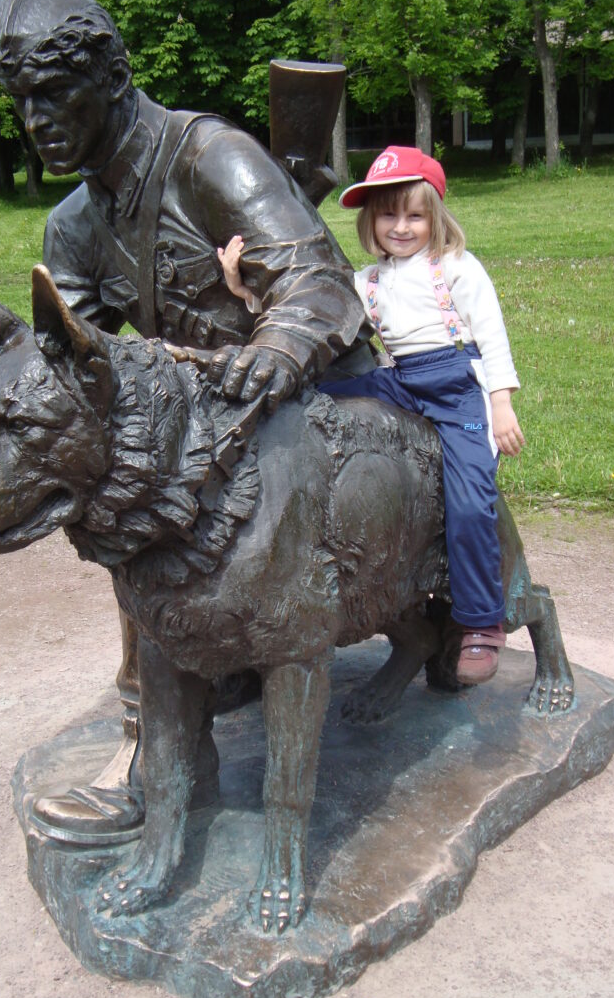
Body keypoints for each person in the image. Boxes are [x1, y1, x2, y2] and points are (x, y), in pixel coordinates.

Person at [0, 0, 374, 845]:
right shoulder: (72, 226)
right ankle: (157, 738)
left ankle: (201, 705)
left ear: (111, 76)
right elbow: (55, 370)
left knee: (164, 513)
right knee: (116, 495)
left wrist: (268, 355)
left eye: (53, 92)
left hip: (304, 399)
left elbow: (320, 285)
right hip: (199, 426)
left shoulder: (213, 159)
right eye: (21, 100)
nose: (35, 119)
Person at [218, 145, 525, 685]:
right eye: (388, 214)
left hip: (456, 385)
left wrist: (500, 402)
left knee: (471, 497)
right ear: (370, 221)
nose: (401, 227)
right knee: (321, 396)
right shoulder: (369, 283)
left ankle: (481, 622)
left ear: (436, 216)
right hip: (402, 380)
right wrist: (244, 290)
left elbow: (493, 335)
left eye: (414, 214)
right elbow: (317, 310)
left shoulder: (455, 268)